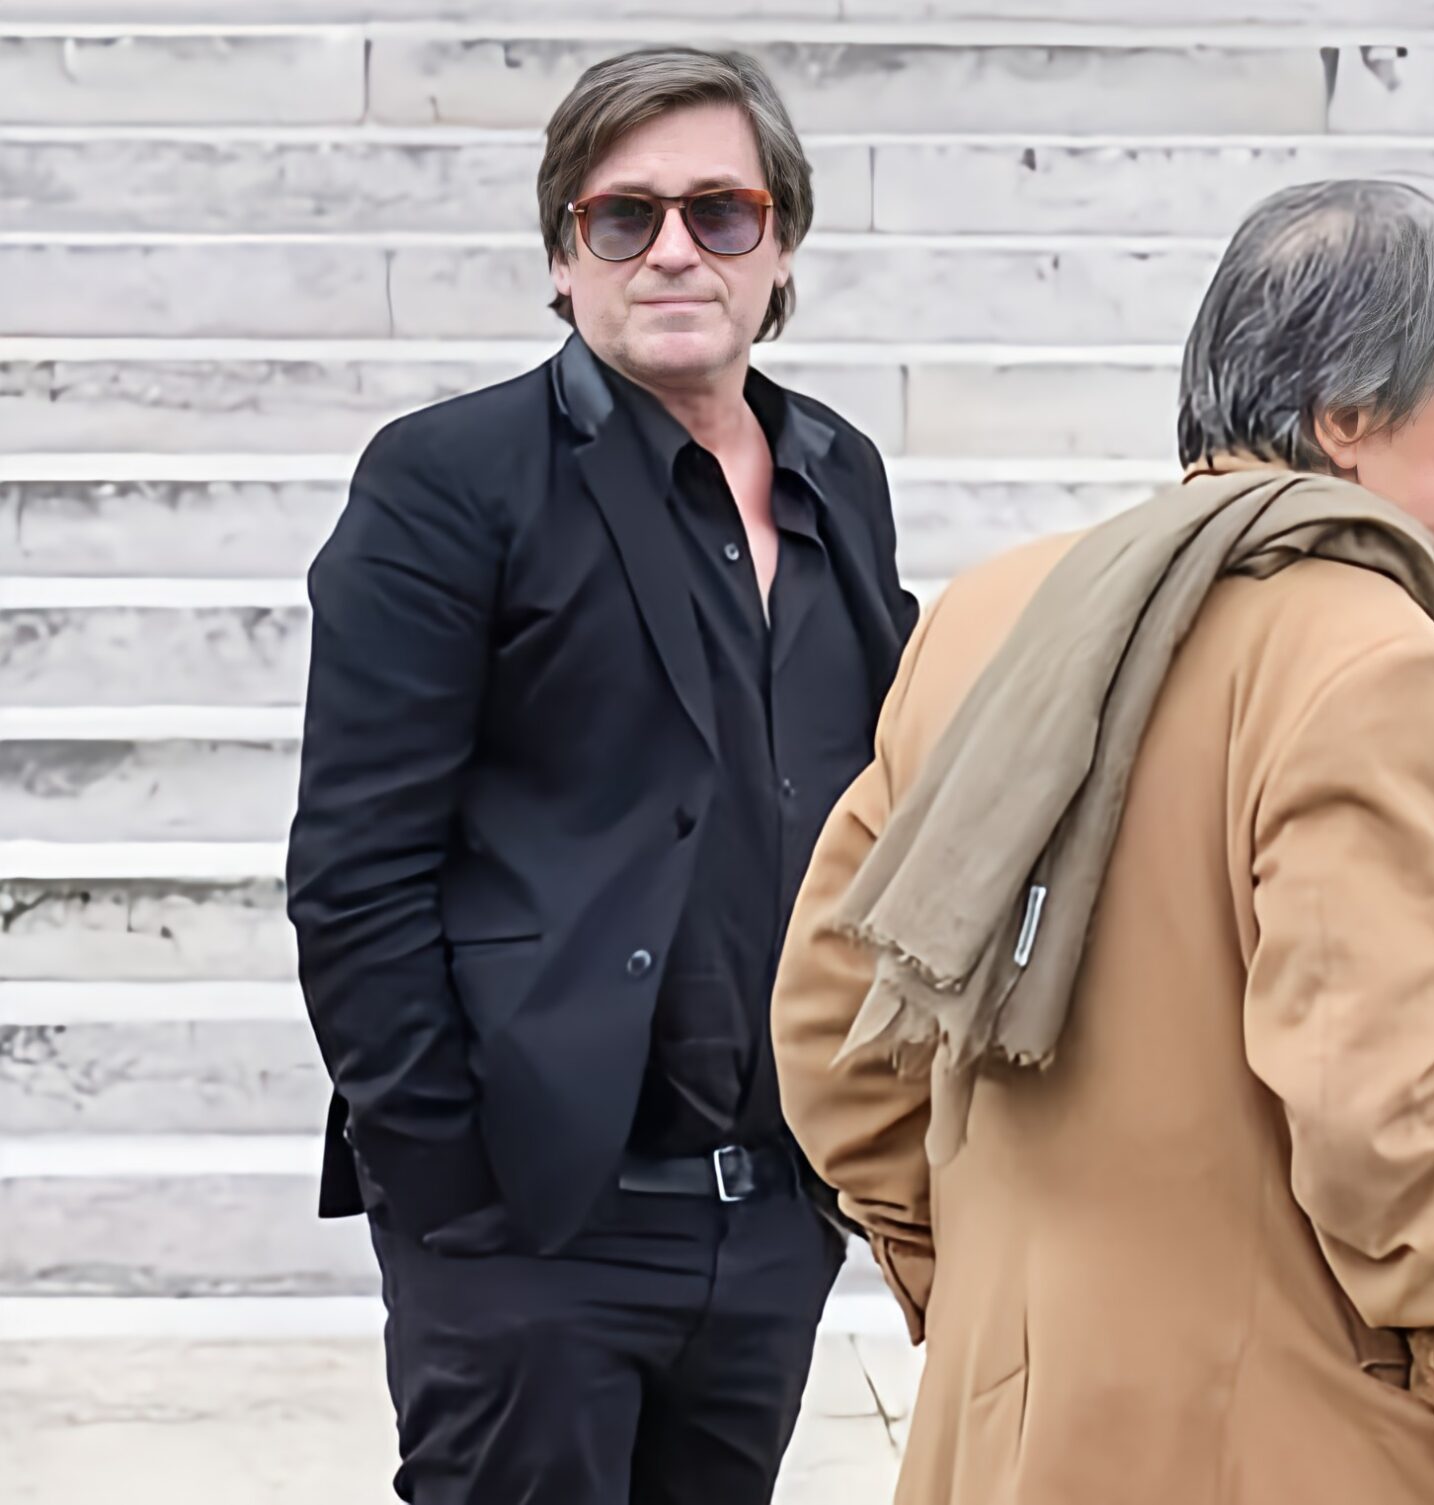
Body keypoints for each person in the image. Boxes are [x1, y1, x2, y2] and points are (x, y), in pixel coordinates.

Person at [769, 179, 1434, 1504]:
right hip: (1310, 1442)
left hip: (1012, 1436)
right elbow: (1373, 1103)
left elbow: (834, 1035)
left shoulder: (992, 610)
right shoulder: (1366, 648)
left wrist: (990, 1294)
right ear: (1348, 419)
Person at [286, 47, 914, 1504]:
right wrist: (452, 1194)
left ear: (784, 246)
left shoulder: (841, 473)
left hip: (767, 1216)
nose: (675, 249)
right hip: (531, 1223)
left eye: (722, 212)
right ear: (566, 260)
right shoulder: (451, 479)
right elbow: (354, 870)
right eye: (622, 217)